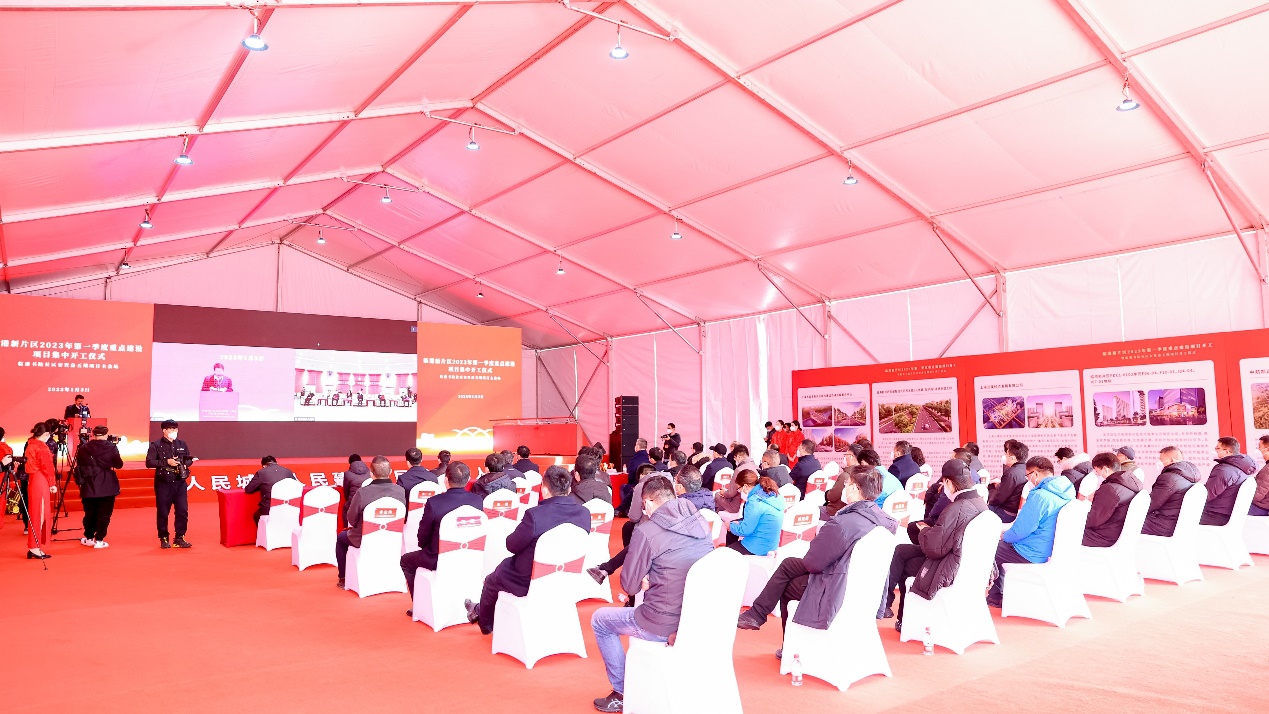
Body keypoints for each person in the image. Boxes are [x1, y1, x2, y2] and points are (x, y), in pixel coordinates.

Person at [737, 465, 896, 655]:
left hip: (839, 585)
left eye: (847, 483)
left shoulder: (842, 523)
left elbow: (813, 564)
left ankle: (791, 647)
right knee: (788, 564)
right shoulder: (888, 522)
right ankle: (757, 615)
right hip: (866, 585)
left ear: (854, 488)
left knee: (788, 585)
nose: (844, 487)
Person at [590, 475, 713, 712]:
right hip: (695, 620)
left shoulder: (647, 531)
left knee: (600, 620)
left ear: (646, 503)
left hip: (661, 622)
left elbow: (630, 586)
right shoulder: (699, 522)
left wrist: (645, 578)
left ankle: (622, 692)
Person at [465, 466, 591, 634]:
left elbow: (511, 545)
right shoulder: (584, 514)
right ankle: (479, 610)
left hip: (529, 579)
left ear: (544, 490)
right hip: (567, 576)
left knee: (491, 580)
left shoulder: (535, 515)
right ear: (568, 489)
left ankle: (485, 623)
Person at [883, 459, 984, 628]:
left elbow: (934, 549)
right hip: (960, 557)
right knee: (900, 550)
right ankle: (886, 603)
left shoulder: (956, 508)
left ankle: (905, 620)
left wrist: (924, 530)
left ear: (948, 482)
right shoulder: (980, 503)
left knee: (905, 565)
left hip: (948, 564)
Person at [987, 457, 1074, 608]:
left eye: (1027, 476)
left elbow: (1021, 530)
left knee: (988, 548)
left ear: (1035, 474)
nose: (1028, 480)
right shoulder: (1066, 491)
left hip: (1030, 551)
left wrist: (1004, 536)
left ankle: (995, 596)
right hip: (1047, 548)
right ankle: (998, 594)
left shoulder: (1040, 496)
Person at [400, 462, 483, 603]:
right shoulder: (478, 501)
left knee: (405, 561)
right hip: (470, 555)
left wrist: (426, 548)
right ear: (468, 479)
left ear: (445, 480)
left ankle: (419, 604)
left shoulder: (434, 502)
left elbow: (423, 537)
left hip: (437, 557)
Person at [336, 456, 406, 589]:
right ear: (390, 471)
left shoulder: (363, 493)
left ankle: (343, 578)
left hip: (363, 537)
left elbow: (351, 518)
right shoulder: (400, 491)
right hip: (392, 537)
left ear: (371, 473)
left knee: (341, 538)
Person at [146, 419, 195, 549]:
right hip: (164, 483)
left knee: (182, 511)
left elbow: (188, 459)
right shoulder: (156, 445)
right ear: (164, 430)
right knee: (163, 512)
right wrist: (166, 462)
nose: (174, 431)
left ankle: (179, 537)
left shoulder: (182, 443)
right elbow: (149, 462)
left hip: (180, 482)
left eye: (175, 429)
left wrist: (184, 463)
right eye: (171, 429)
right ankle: (163, 538)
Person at [71, 425, 122, 549]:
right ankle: (99, 540)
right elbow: (119, 464)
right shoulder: (111, 447)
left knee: (89, 513)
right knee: (104, 514)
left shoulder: (84, 448)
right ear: (106, 435)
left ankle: (88, 537)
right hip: (107, 485)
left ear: (93, 435)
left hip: (89, 484)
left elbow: (80, 464)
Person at [1082, 452, 1142, 547]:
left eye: (1097, 471)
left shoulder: (1110, 488)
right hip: (1117, 531)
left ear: (1104, 469)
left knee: (1066, 531)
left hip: (1104, 536)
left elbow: (1094, 520)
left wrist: (1076, 519)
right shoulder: (1130, 483)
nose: (1098, 475)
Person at [1142, 446, 1201, 536]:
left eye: (1161, 460)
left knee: (1125, 523)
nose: (1159, 463)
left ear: (1172, 460)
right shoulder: (1190, 476)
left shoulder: (1168, 478)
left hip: (1163, 523)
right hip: (1177, 522)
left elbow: (1152, 504)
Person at [1200, 437, 1257, 526]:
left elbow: (1207, 495)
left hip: (1215, 514)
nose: (1215, 450)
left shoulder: (1223, 470)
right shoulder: (1242, 469)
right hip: (1227, 514)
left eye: (1218, 448)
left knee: (1179, 517)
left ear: (1227, 451)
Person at [725, 471, 782, 556]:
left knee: (724, 554)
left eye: (739, 489)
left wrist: (731, 526)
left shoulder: (754, 501)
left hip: (757, 548)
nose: (739, 492)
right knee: (734, 525)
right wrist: (737, 523)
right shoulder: (771, 494)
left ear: (745, 486)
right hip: (771, 545)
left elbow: (745, 530)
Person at [21, 423, 57, 559]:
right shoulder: (41, 447)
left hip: (33, 480)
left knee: (35, 513)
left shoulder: (31, 444)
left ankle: (34, 546)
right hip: (41, 481)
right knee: (39, 514)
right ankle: (34, 547)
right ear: (46, 434)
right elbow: (47, 467)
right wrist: (52, 483)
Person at [243, 455, 299, 524]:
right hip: (288, 507)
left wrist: (262, 487)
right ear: (276, 462)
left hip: (269, 508)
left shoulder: (261, 472)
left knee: (257, 516)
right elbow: (296, 486)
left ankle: (264, 531)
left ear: (264, 466)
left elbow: (248, 490)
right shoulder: (287, 471)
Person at [987, 439, 1029, 523]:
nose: (1005, 456)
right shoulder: (1026, 469)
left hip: (1007, 513)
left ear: (1012, 458)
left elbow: (999, 498)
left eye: (1006, 454)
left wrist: (989, 503)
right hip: (1016, 510)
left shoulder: (1011, 473)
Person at [341, 456, 371, 521]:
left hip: (353, 502)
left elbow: (346, 492)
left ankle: (347, 526)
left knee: (346, 510)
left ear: (350, 463)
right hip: (368, 501)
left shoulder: (347, 474)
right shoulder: (370, 472)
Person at [1251, 436, 1269, 517]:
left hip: (1261, 507)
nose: (1258, 449)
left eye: (1260, 447)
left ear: (1267, 449)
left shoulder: (1267, 470)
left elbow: (1257, 495)